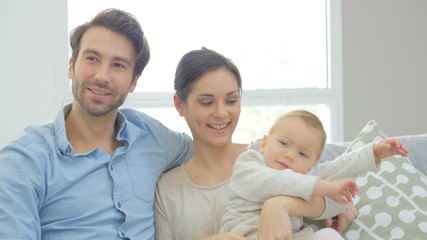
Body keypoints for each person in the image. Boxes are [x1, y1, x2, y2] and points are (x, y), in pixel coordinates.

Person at [0, 9, 193, 239]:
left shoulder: (150, 135)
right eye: (92, 59)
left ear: (134, 82)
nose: (102, 76)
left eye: (118, 65)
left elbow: (208, 153)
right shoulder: (24, 161)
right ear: (71, 66)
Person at [154, 49, 362, 240]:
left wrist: (280, 205)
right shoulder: (168, 191)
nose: (221, 113)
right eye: (207, 102)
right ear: (179, 104)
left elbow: (335, 197)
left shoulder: (269, 156)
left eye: (231, 100)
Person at [219, 110, 409, 239]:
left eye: (303, 154)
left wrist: (373, 152)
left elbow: (338, 167)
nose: (290, 155)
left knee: (327, 235)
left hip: (293, 237)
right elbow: (278, 182)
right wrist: (324, 187)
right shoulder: (249, 164)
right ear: (264, 143)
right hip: (246, 235)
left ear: (312, 164)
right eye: (283, 143)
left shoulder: (305, 174)